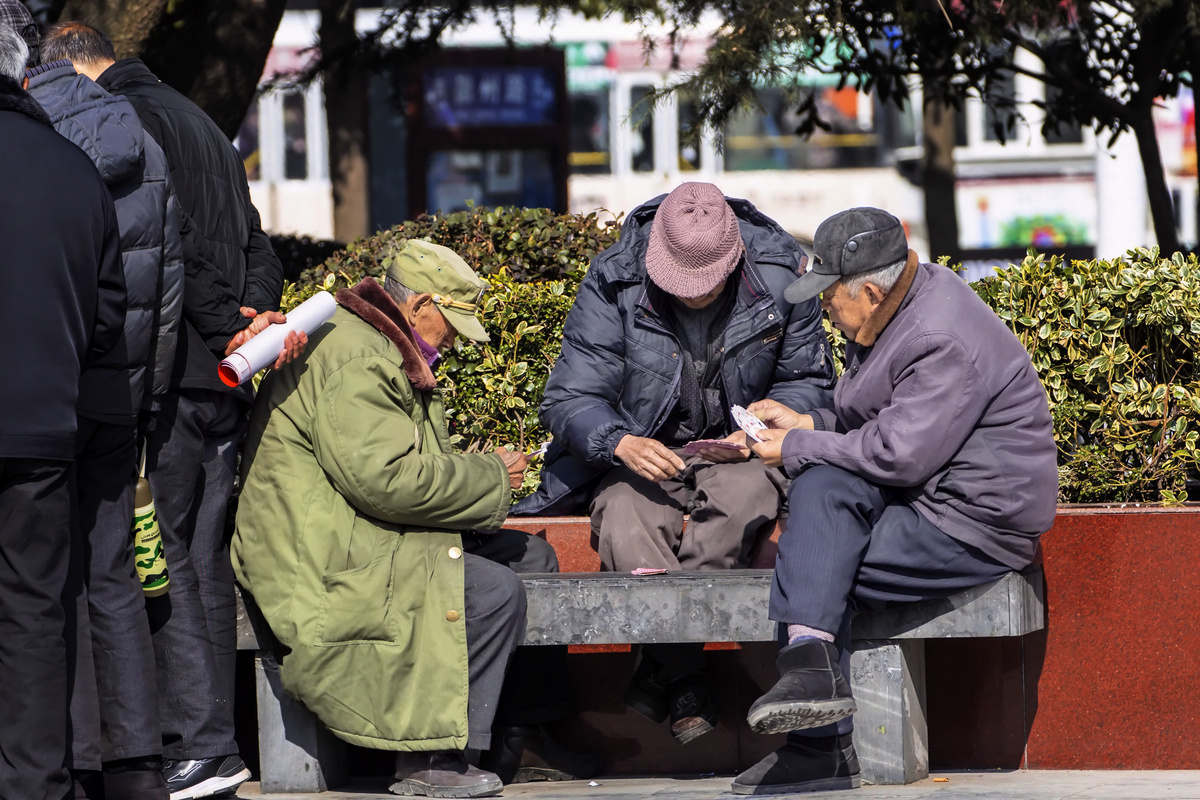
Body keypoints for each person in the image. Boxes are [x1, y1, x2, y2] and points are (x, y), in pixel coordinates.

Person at [234, 239, 599, 799]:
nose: (452, 339)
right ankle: (431, 758)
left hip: (362, 528)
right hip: (325, 553)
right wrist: (491, 477)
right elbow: (385, 481)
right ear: (419, 303)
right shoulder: (359, 357)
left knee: (534, 557)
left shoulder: (384, 345)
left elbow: (393, 475)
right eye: (450, 323)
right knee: (491, 590)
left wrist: (477, 484)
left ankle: (515, 734)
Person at [41, 21, 300, 798]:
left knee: (163, 558)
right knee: (201, 559)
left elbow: (173, 249)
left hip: (182, 367)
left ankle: (198, 743)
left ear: (76, 72)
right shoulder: (203, 123)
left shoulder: (124, 125)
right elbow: (258, 243)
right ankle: (214, 739)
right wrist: (254, 321)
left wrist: (226, 326)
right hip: (228, 375)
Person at [734, 208, 1058, 794]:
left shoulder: (938, 336)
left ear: (872, 290)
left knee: (812, 567)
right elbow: (880, 421)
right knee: (821, 497)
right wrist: (809, 422)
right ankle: (813, 699)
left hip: (971, 522)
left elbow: (899, 454)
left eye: (829, 296)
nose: (824, 309)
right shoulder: (898, 308)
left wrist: (800, 443)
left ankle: (817, 736)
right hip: (922, 497)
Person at [514, 181, 835, 744]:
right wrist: (618, 442)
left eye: (707, 284)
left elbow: (809, 382)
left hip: (743, 454)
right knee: (623, 513)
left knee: (746, 499)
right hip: (639, 454)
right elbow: (569, 397)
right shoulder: (614, 278)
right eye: (680, 282)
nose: (694, 295)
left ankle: (665, 664)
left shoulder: (785, 275)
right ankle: (688, 674)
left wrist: (778, 417)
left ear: (735, 257)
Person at [25, 25, 186, 799]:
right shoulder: (145, 143)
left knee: (48, 582)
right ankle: (135, 763)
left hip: (52, 389)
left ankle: (76, 757)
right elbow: (165, 290)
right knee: (116, 575)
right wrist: (144, 398)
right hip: (120, 391)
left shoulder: (39, 145)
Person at [0, 19, 124, 800]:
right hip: (45, 425)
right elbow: (107, 318)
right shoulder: (74, 171)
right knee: (35, 616)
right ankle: (34, 784)